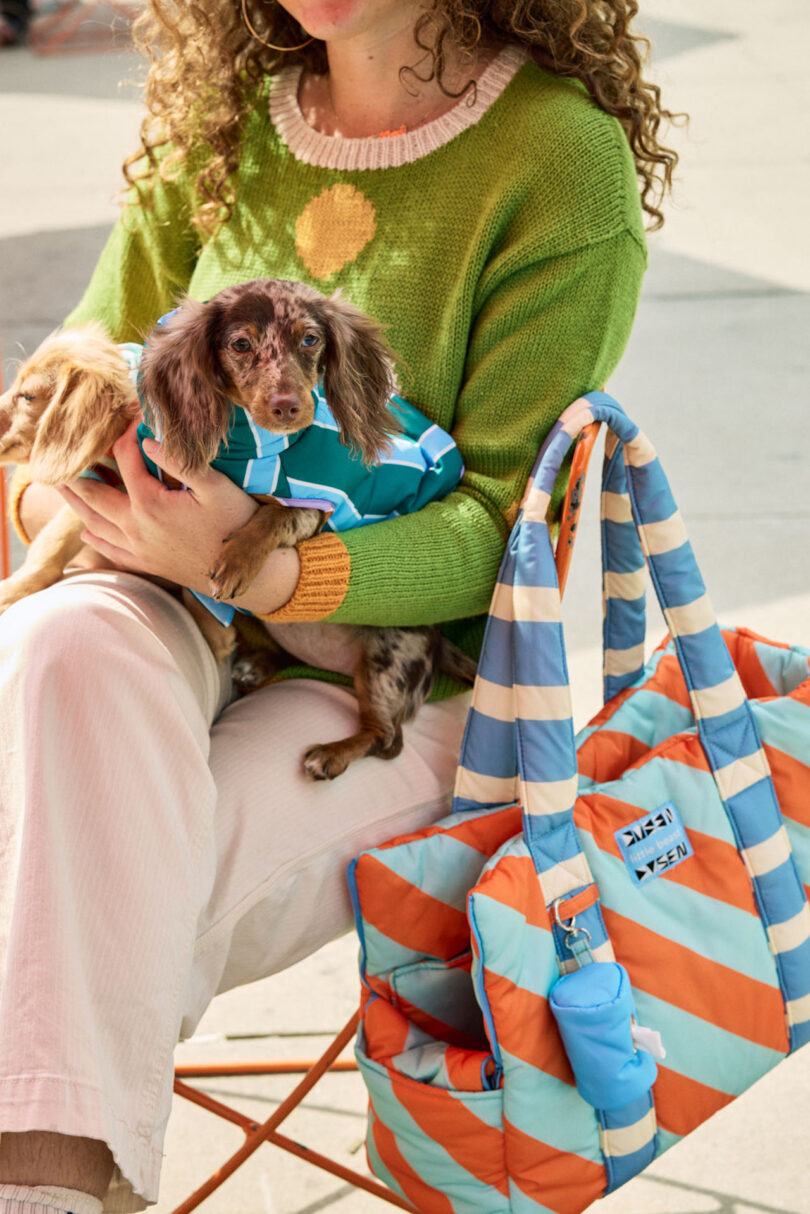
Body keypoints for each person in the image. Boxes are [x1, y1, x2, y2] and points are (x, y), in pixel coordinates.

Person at [0, 0, 676, 1210]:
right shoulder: (221, 124)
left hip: (405, 687)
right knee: (56, 643)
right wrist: (60, 470)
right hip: (172, 610)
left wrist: (262, 569)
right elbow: (86, 353)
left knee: (74, 868)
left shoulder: (558, 160)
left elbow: (494, 528)